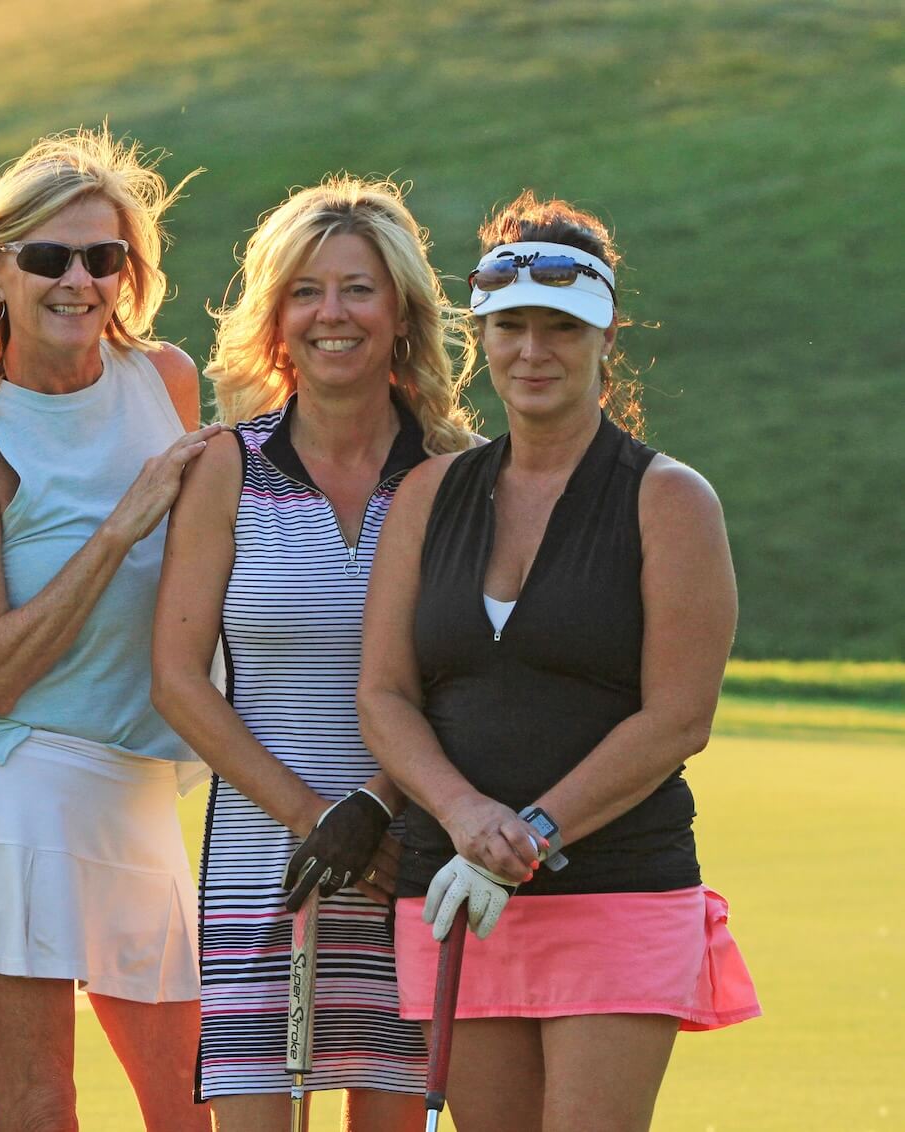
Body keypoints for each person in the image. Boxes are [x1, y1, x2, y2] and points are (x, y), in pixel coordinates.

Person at [357, 191, 760, 1132]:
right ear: (483, 336)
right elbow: (383, 694)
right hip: (456, 885)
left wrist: (529, 833)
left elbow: (677, 718)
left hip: (615, 883)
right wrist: (465, 820)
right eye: (511, 329)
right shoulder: (429, 493)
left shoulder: (670, 501)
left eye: (560, 330)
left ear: (606, 338)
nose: (532, 353)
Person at [0, 127, 217, 1132]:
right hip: (9, 775)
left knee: (188, 1100)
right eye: (47, 257)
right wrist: (122, 526)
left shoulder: (164, 377)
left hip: (131, 785)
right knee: (40, 1106)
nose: (77, 280)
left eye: (102, 257)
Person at [151, 176, 475, 1131]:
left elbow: (467, 683)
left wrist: (377, 814)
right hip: (263, 857)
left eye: (359, 288)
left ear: (404, 311)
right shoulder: (225, 466)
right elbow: (177, 680)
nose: (332, 313)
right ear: (276, 316)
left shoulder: (459, 473)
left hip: (410, 853)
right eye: (306, 291)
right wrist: (311, 819)